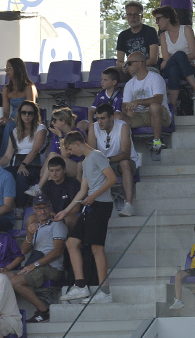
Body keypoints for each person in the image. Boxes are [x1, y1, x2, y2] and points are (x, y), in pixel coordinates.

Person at [56, 131, 115, 304]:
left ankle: (105, 292)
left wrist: (94, 196)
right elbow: (82, 191)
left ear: (76, 143)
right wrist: (66, 211)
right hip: (90, 205)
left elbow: (111, 179)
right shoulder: (86, 161)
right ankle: (80, 286)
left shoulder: (97, 156)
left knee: (97, 248)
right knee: (71, 243)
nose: (70, 152)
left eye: (69, 148)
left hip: (101, 205)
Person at [10, 194, 66, 323]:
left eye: (45, 207)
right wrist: (29, 235)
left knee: (14, 281)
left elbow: (57, 252)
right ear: (34, 210)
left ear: (49, 207)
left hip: (52, 268)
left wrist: (34, 265)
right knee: (4, 277)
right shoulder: (36, 227)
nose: (42, 211)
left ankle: (43, 311)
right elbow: (23, 250)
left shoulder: (57, 224)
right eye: (39, 208)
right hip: (38, 265)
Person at [88, 102, 140, 218]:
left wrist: (106, 160)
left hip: (121, 162)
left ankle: (129, 205)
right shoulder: (93, 127)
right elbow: (90, 153)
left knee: (125, 164)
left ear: (112, 118)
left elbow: (126, 153)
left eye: (103, 118)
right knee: (83, 165)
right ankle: (86, 203)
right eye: (97, 118)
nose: (99, 122)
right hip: (104, 163)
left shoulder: (123, 126)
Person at [122, 52, 169, 162]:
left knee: (154, 107)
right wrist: (127, 111)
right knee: (117, 116)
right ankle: (123, 151)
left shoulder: (155, 78)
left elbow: (158, 99)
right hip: (139, 116)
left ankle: (157, 141)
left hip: (159, 115)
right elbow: (124, 105)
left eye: (129, 63)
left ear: (139, 63)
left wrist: (138, 102)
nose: (126, 67)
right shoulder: (129, 83)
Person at [0, 100, 46, 207]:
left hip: (35, 165)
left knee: (21, 175)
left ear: (35, 115)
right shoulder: (15, 131)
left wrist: (23, 165)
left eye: (30, 113)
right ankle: (2, 204)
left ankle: (20, 207)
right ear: (19, 114)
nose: (26, 115)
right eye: (23, 112)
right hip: (18, 164)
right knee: (3, 174)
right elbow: (7, 155)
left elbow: (35, 150)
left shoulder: (41, 129)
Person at [154, 5, 195, 105]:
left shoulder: (186, 29)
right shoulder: (163, 36)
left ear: (167, 18)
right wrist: (182, 59)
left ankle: (173, 106)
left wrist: (181, 59)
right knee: (178, 57)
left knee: (175, 68)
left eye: (158, 19)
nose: (157, 22)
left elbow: (194, 54)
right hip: (184, 65)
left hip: (191, 69)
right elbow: (166, 58)